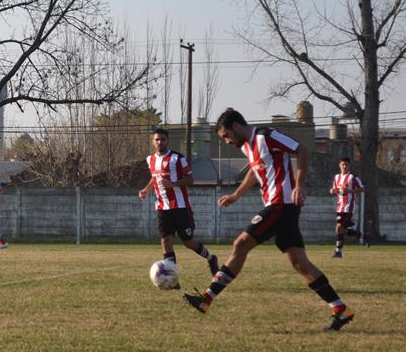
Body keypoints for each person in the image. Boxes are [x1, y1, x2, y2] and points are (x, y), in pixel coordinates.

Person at [183, 109, 355, 331]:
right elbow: (255, 172)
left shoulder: (266, 135)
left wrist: (299, 185)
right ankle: (340, 308)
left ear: (236, 126)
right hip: (280, 206)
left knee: (241, 244)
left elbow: (301, 150)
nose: (227, 141)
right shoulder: (247, 147)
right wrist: (236, 195)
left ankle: (206, 299)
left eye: (226, 136)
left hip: (281, 203)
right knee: (299, 262)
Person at [138, 128, 218, 278]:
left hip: (180, 206)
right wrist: (146, 190)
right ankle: (171, 277)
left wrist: (173, 183)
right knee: (165, 240)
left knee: (188, 242)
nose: (160, 142)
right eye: (157, 139)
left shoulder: (177, 158)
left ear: (167, 140)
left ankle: (211, 258)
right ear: (153, 141)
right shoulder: (150, 159)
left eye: (162, 139)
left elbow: (190, 179)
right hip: (162, 206)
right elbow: (155, 178)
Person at [329, 157, 364, 258]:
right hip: (339, 206)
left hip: (349, 206)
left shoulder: (353, 177)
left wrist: (350, 191)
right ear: (339, 165)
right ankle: (361, 235)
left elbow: (362, 189)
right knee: (341, 229)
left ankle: (338, 252)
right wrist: (332, 191)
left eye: (346, 164)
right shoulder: (336, 177)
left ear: (349, 166)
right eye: (343, 164)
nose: (344, 166)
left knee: (339, 228)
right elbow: (335, 189)